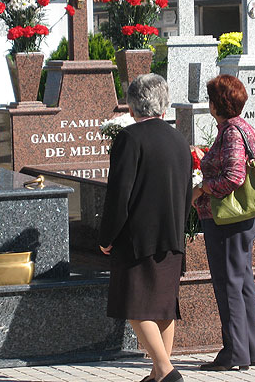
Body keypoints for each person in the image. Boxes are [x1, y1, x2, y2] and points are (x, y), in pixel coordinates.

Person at [99, 74, 192, 382]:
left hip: (138, 239)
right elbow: (186, 191)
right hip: (172, 235)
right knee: (164, 308)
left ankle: (166, 372)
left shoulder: (130, 138)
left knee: (136, 307)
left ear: (132, 104)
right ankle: (156, 375)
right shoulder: (179, 139)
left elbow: (119, 194)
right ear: (162, 103)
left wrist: (107, 235)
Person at [192, 74, 255, 371]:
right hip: (243, 218)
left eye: (210, 99)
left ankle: (234, 352)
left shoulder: (232, 132)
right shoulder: (243, 127)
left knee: (228, 284)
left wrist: (202, 189)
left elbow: (234, 176)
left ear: (216, 104)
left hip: (227, 219)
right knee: (242, 282)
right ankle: (250, 350)